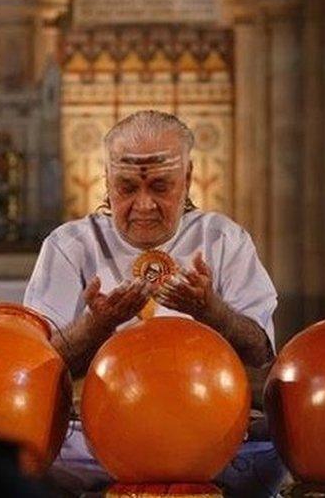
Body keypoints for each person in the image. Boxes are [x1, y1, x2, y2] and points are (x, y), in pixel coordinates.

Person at [24, 110, 287, 497]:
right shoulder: (69, 246)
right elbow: (42, 366)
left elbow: (261, 353)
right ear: (107, 181)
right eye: (127, 188)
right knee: (33, 456)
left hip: (208, 437)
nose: (143, 205)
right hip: (97, 441)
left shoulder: (224, 240)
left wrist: (209, 310)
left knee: (272, 455)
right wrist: (98, 324)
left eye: (160, 187)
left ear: (188, 180)